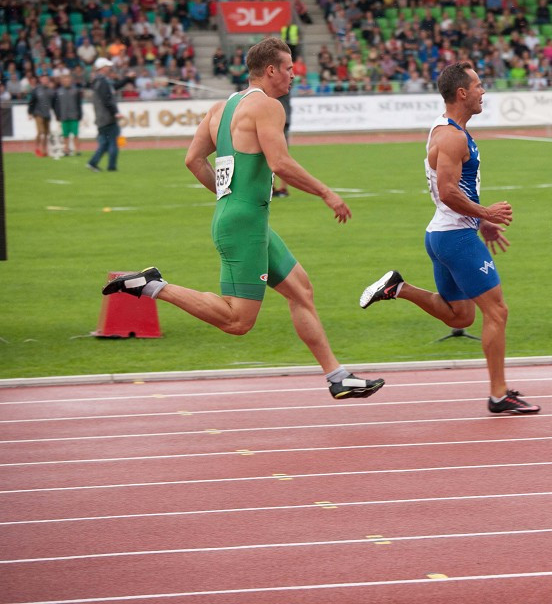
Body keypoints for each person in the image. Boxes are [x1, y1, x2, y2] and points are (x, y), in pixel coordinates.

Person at [101, 38, 384, 401]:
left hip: (243, 218)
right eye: (288, 68)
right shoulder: (268, 107)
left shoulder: (222, 107)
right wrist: (326, 192)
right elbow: (281, 164)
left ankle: (337, 375)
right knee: (238, 321)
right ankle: (153, 285)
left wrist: (229, 197)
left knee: (301, 290)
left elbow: (193, 160)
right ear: (270, 70)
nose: (293, 75)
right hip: (245, 224)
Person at [358, 61, 539, 416]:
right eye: (478, 85)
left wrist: (480, 222)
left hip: (444, 235)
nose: (483, 91)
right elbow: (446, 191)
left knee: (460, 317)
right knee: (497, 311)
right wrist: (485, 213)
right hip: (455, 238)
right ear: (462, 93)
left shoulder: (445, 129)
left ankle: (400, 288)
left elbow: (452, 193)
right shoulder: (452, 136)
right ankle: (500, 395)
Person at [87, 59, 120, 172]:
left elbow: (112, 90)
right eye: (107, 66)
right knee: (112, 142)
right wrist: (115, 112)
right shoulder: (103, 82)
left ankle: (93, 163)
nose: (109, 68)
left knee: (105, 143)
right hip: (107, 117)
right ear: (102, 68)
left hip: (102, 117)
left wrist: (127, 80)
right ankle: (111, 166)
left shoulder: (98, 81)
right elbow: (107, 100)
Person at [52, 73, 83, 157]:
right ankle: (66, 149)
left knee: (75, 134)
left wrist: (80, 114)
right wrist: (57, 115)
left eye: (68, 80)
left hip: (74, 116)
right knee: (65, 135)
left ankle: (77, 150)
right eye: (65, 80)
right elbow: (56, 105)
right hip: (64, 116)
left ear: (71, 80)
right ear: (62, 81)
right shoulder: (58, 91)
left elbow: (79, 104)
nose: (66, 81)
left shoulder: (75, 90)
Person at [27, 75, 55, 158]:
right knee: (41, 132)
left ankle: (44, 150)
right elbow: (31, 101)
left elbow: (54, 104)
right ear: (41, 80)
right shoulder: (36, 90)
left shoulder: (51, 91)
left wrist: (57, 114)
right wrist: (30, 112)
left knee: (46, 133)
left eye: (47, 79)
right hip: (38, 113)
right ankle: (37, 149)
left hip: (47, 114)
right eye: (44, 79)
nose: (45, 80)